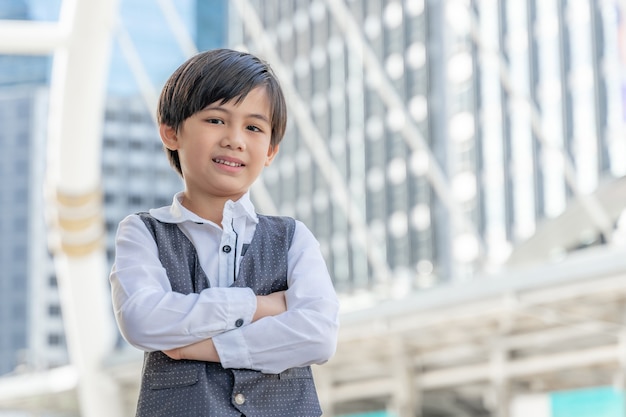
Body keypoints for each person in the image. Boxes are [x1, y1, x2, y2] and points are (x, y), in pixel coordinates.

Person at [109, 48, 340, 417]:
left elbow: (318, 335)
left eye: (253, 127)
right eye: (216, 120)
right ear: (171, 132)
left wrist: (192, 346)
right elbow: (142, 320)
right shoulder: (142, 232)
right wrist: (260, 306)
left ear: (271, 151)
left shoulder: (294, 237)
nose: (235, 139)